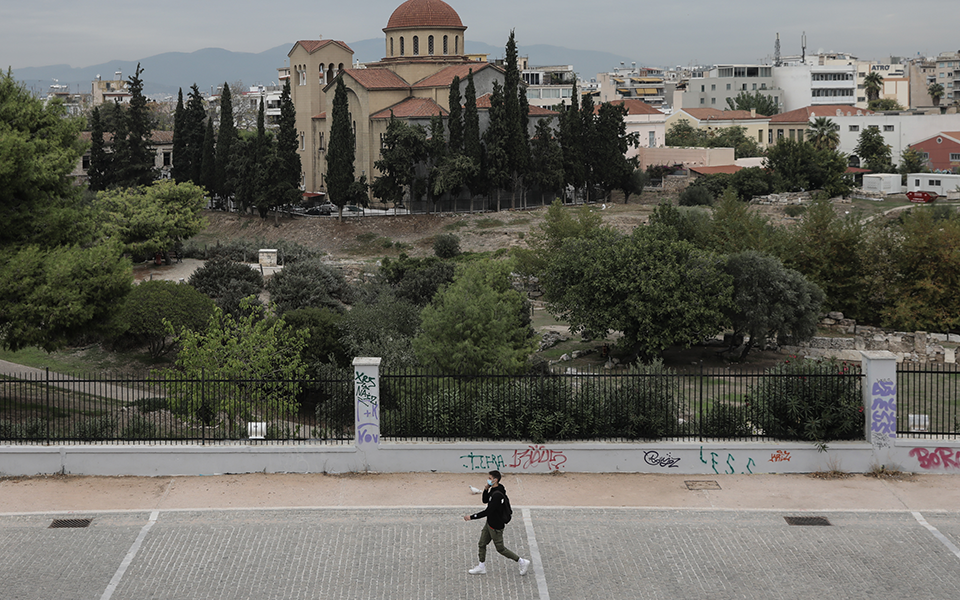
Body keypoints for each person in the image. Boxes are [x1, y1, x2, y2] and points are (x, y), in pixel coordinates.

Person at [462, 470, 530, 576]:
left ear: (495, 480)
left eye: (490, 478)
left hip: (496, 526)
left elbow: (488, 511)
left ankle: (522, 561)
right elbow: (485, 500)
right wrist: (486, 489)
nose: (488, 480)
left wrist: (472, 517)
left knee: (500, 549)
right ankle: (481, 567)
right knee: (482, 544)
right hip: (489, 523)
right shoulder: (494, 489)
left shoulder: (497, 495)